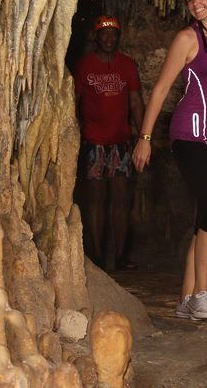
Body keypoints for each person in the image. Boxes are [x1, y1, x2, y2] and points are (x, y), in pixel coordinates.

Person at [132, 0, 207, 321]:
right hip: (190, 135)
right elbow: (161, 88)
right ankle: (200, 295)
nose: (195, 4)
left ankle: (184, 298)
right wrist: (145, 138)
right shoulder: (187, 38)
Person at [74, 15, 145, 270]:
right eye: (104, 33)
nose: (109, 38)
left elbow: (135, 101)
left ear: (119, 37)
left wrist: (143, 134)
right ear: (96, 36)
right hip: (93, 142)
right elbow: (74, 100)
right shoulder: (84, 65)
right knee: (95, 200)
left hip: (121, 141)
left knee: (121, 200)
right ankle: (96, 255)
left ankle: (121, 255)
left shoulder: (127, 65)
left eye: (113, 33)